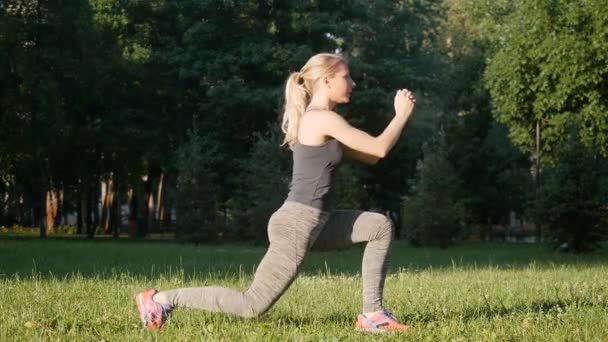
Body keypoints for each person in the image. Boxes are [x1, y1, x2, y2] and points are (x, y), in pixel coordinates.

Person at [136, 53, 416, 333]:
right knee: (252, 304)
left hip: (316, 221)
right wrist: (401, 115)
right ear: (327, 80)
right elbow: (379, 147)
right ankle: (160, 300)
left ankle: (372, 315)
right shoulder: (321, 119)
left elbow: (372, 157)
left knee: (379, 226)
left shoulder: (324, 122)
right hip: (298, 223)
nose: (353, 82)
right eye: (347, 77)